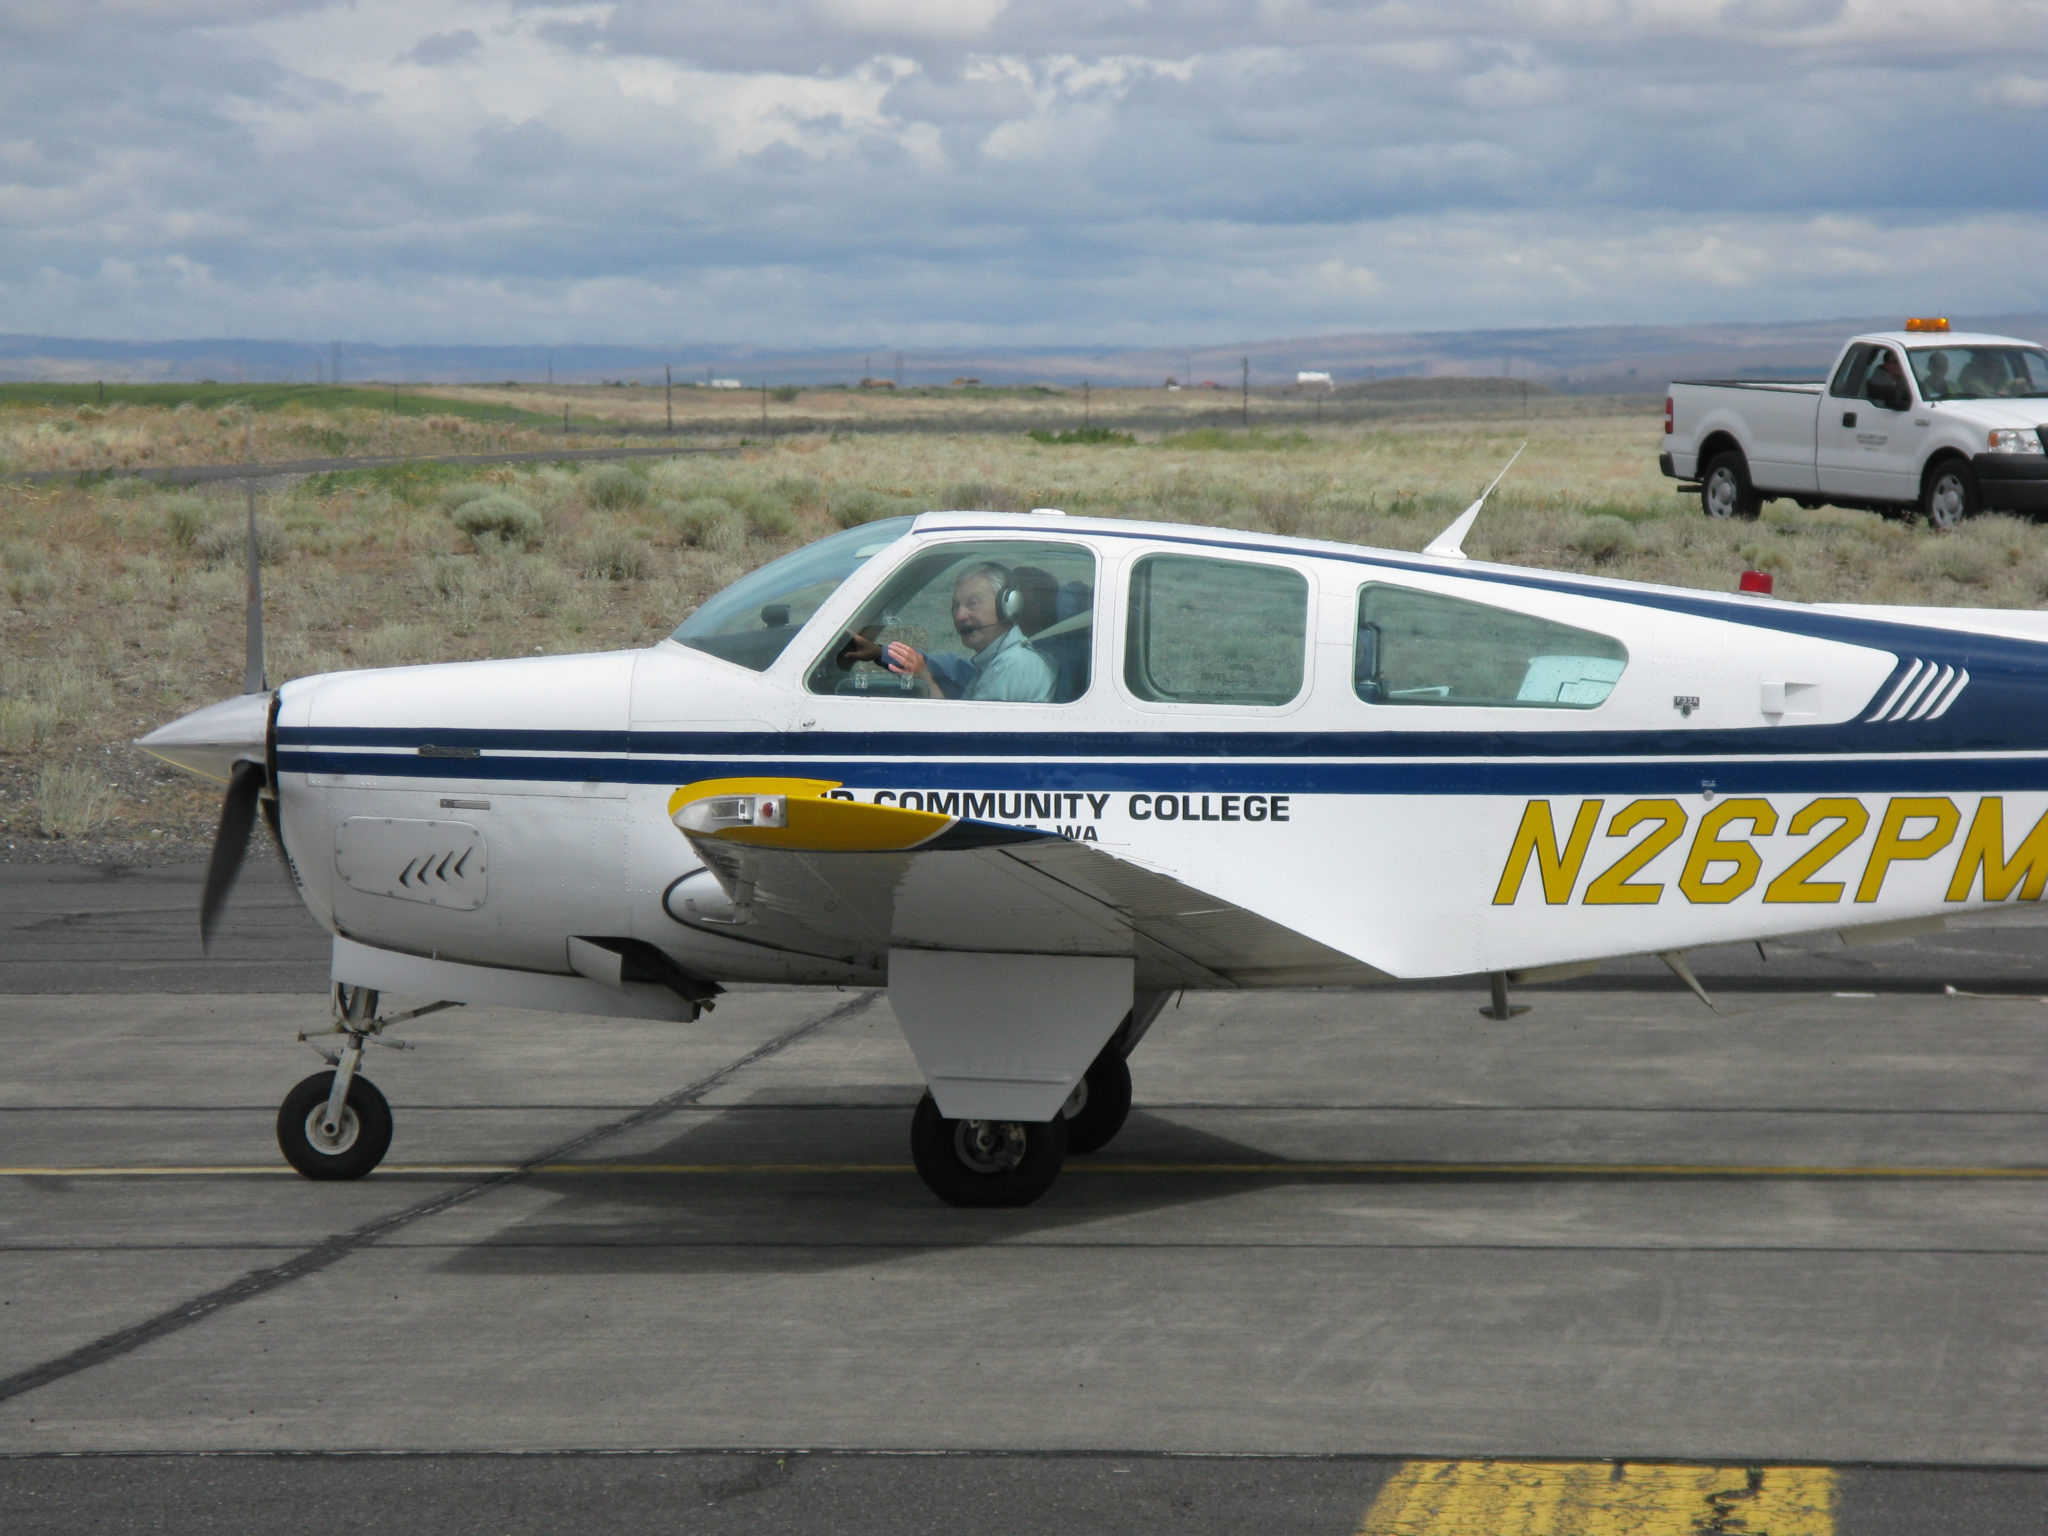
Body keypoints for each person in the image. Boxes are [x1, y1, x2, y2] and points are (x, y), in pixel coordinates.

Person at [841, 562, 1055, 702]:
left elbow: (967, 742)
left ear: (1008, 606)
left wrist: (927, 681)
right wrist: (878, 653)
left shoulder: (1012, 666)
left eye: (973, 603)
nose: (960, 616)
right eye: (955, 606)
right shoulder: (993, 662)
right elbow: (948, 667)